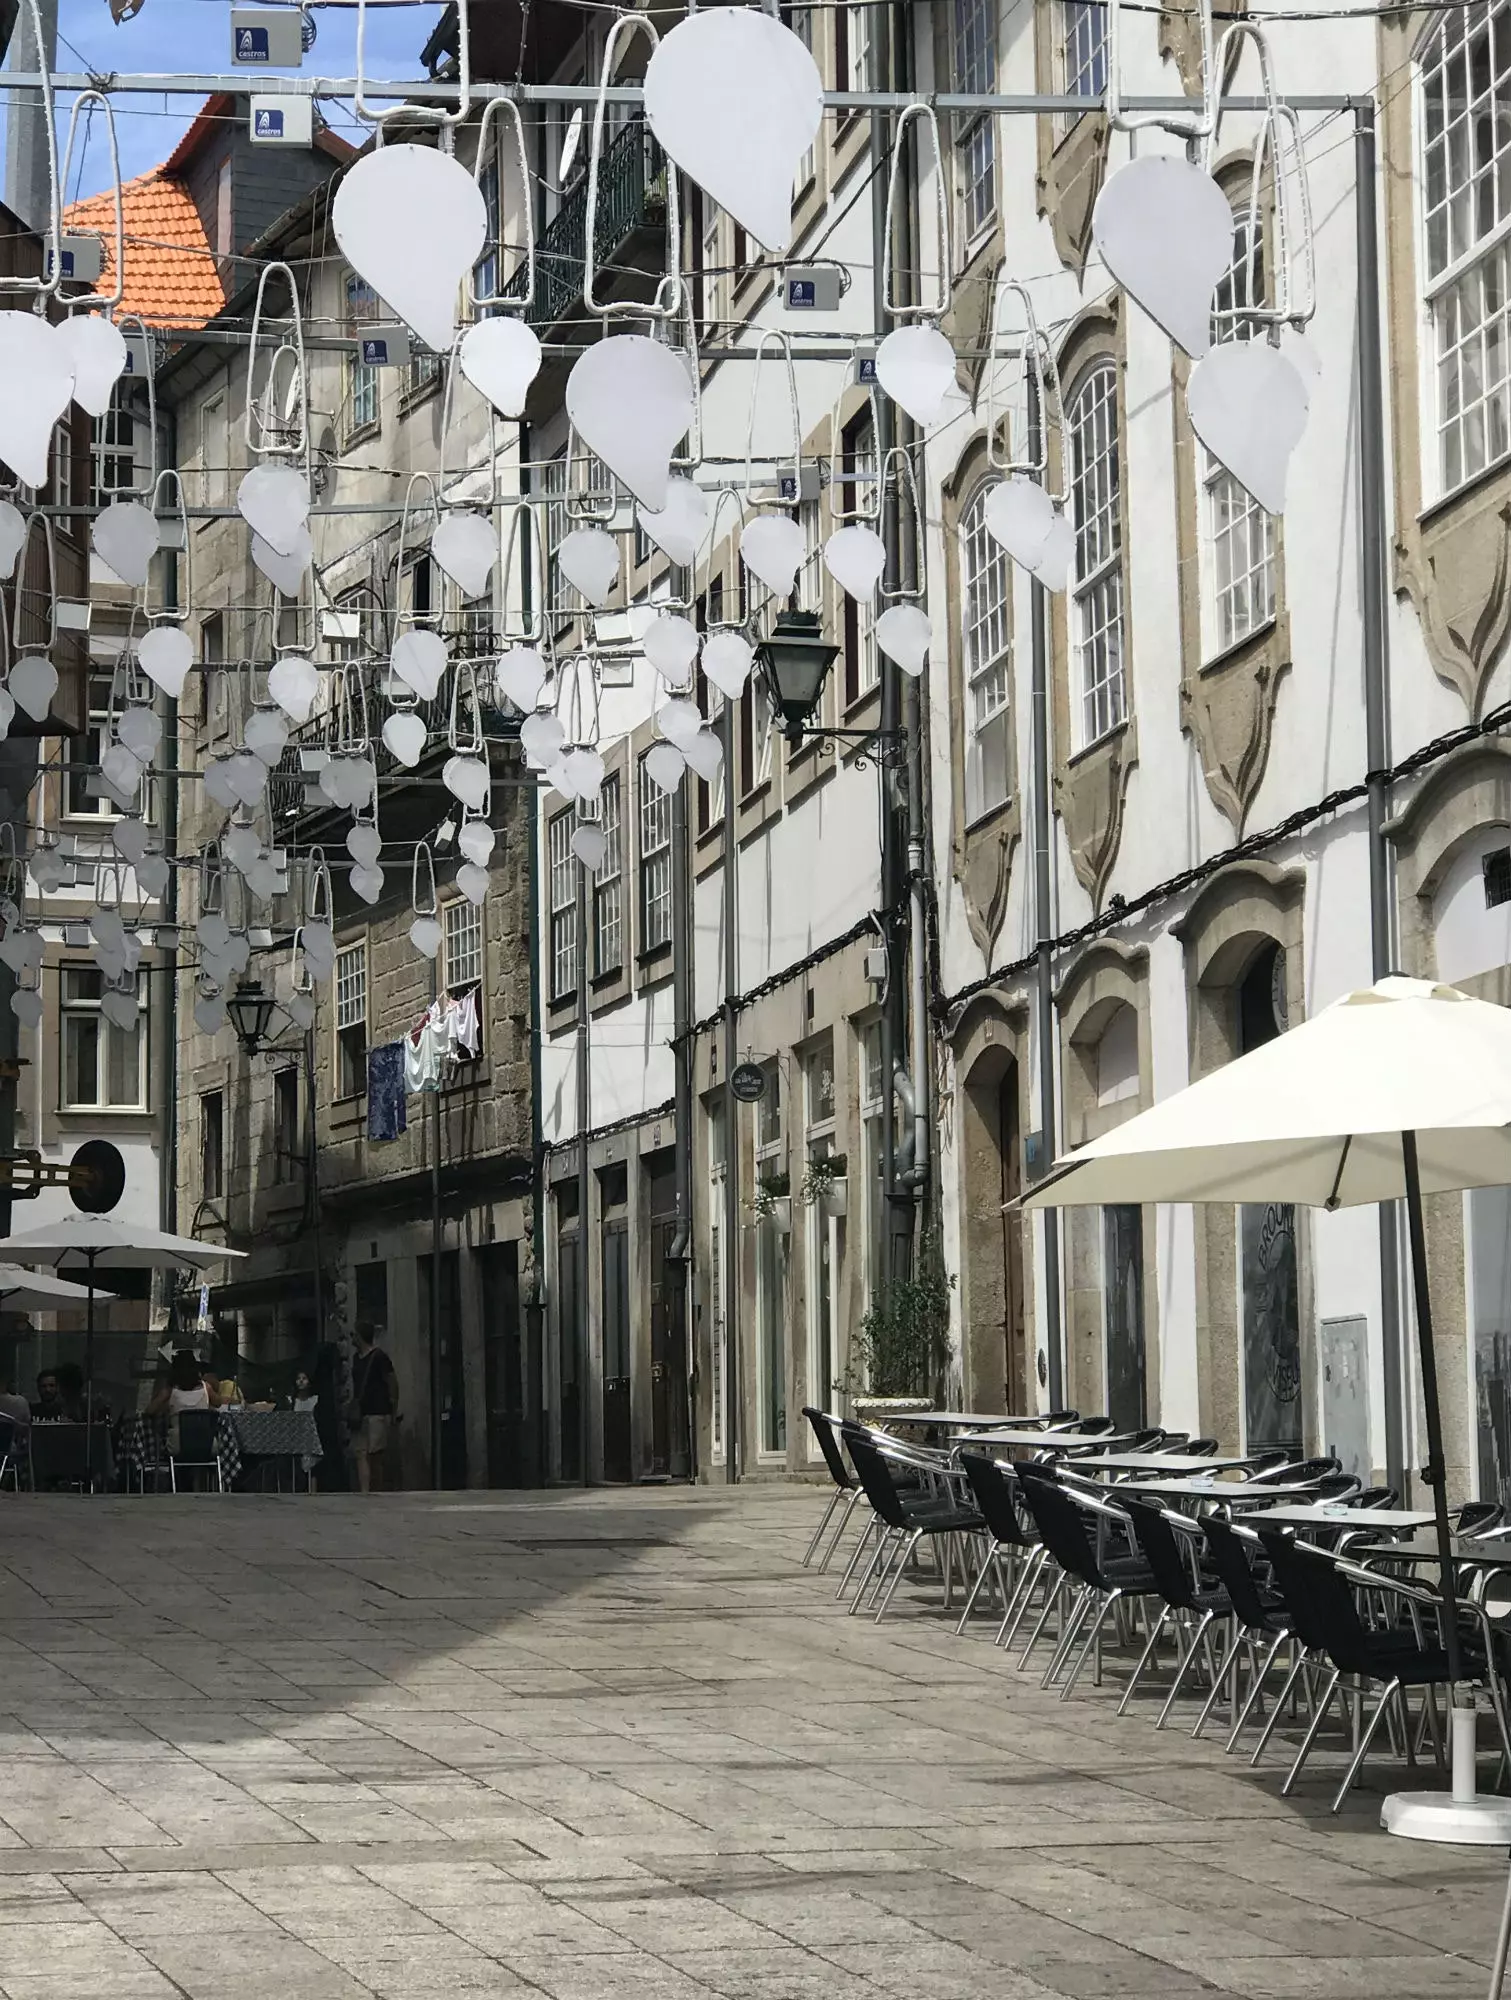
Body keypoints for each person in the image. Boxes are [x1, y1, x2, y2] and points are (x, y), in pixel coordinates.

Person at [348, 1322, 399, 1493]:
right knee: (361, 1454)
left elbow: (392, 1382)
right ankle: (365, 1491)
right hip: (361, 1414)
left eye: (354, 1334)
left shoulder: (379, 1357)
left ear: (360, 1336)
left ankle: (378, 1490)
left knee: (375, 1455)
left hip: (378, 1411)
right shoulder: (356, 1358)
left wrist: (393, 1408)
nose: (351, 1338)